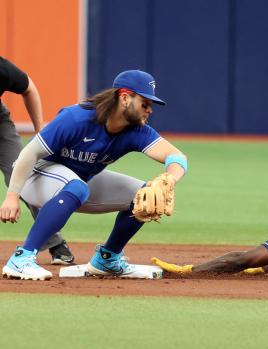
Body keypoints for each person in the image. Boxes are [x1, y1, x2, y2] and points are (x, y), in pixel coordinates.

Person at [1, 69, 188, 280]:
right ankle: (21, 258)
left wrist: (169, 179)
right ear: (125, 97)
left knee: (143, 195)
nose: (150, 110)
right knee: (77, 187)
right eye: (145, 103)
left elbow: (177, 157)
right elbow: (29, 153)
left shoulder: (137, 131)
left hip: (77, 183)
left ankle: (107, 259)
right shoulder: (77, 118)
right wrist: (12, 196)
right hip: (35, 176)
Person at [0, 56, 75, 265]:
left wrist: (41, 130)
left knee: (21, 174)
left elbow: (29, 88)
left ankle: (56, 243)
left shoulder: (2, 69)